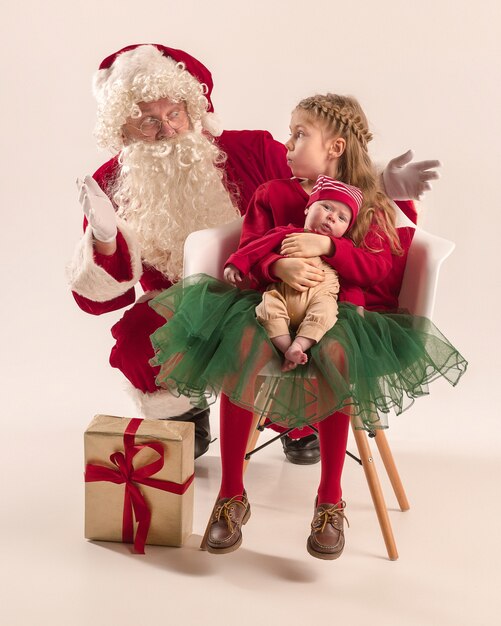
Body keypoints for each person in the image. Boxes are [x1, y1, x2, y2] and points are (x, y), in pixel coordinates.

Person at [68, 42, 441, 461]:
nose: (167, 129)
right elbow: (102, 299)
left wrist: (383, 185)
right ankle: (186, 415)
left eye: (174, 114)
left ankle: (296, 418)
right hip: (178, 301)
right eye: (148, 122)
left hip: (263, 284)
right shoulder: (111, 183)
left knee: (292, 327)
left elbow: (323, 181)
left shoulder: (251, 149)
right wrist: (102, 238)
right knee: (139, 338)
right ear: (123, 128)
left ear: (194, 110)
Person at [194, 93, 466, 559]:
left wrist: (328, 248)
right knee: (240, 348)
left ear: (335, 147)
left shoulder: (366, 205)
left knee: (337, 357)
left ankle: (330, 499)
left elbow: (381, 269)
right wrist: (277, 267)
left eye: (300, 134)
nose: (288, 143)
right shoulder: (273, 194)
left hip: (341, 312)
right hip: (271, 301)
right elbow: (251, 248)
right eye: (290, 133)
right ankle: (231, 494)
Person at [225, 176, 364, 371]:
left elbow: (350, 282)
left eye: (342, 218)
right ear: (308, 208)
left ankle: (299, 346)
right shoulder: (287, 233)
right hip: (282, 294)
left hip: (319, 298)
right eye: (327, 207)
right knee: (268, 307)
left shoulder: (340, 248)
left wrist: (356, 306)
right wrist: (236, 264)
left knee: (327, 311)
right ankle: (286, 347)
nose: (332, 217)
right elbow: (256, 248)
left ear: (346, 229)